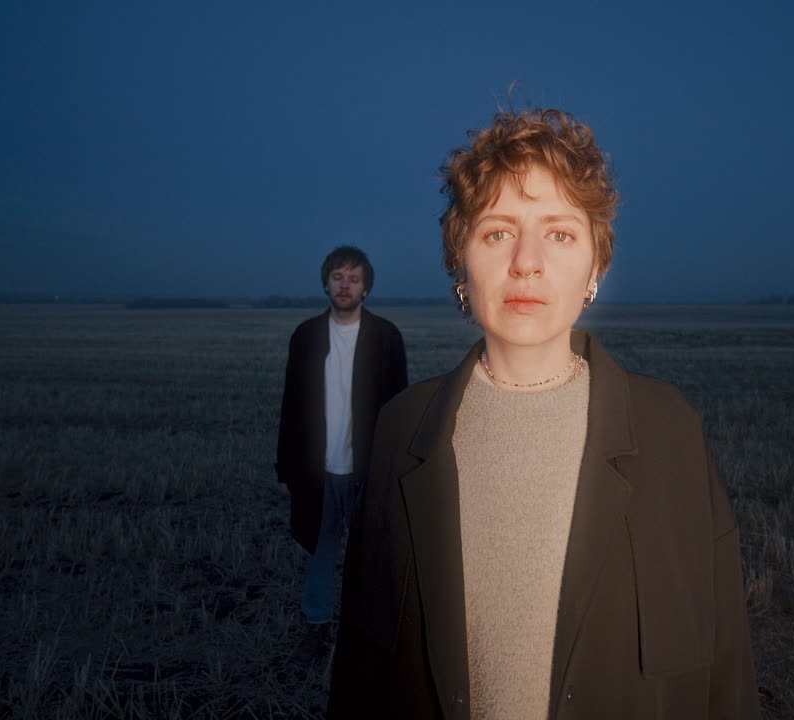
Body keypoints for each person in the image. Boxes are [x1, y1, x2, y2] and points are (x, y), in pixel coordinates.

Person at [329, 109, 759, 718]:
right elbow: (360, 670)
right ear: (461, 264)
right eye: (498, 232)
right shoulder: (402, 427)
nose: (526, 261)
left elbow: (725, 666)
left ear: (596, 268)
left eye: (559, 233)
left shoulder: (670, 428)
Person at [276, 245, 408, 663]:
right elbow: (291, 404)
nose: (345, 284)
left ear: (366, 287)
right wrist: (286, 467)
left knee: (371, 554)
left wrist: (394, 466)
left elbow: (399, 405)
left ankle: (366, 632)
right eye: (338, 277)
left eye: (353, 278)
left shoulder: (386, 336)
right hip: (319, 469)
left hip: (367, 468)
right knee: (321, 551)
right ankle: (316, 627)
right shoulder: (306, 335)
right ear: (326, 284)